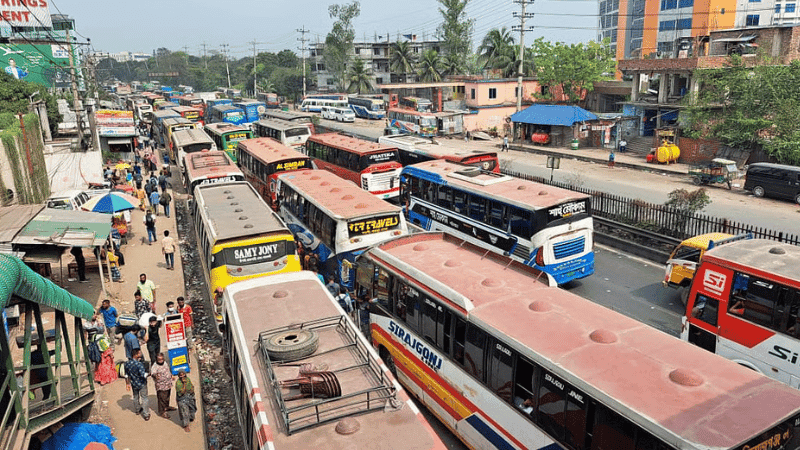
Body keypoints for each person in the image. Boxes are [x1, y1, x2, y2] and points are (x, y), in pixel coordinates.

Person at [124, 348, 150, 421]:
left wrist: (127, 383)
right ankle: (146, 414)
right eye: (139, 352)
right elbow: (143, 375)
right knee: (144, 398)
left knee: (135, 397)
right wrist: (149, 374)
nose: (141, 353)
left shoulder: (127, 363)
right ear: (136, 354)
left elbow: (126, 375)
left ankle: (138, 410)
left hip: (133, 383)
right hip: (141, 383)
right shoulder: (139, 364)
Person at [150, 352, 176, 418]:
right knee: (162, 399)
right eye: (159, 359)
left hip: (168, 384)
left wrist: (171, 375)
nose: (161, 361)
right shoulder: (155, 366)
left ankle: (166, 407)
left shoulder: (165, 363)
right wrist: (155, 376)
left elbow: (168, 370)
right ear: (156, 360)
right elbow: (153, 373)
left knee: (167, 397)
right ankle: (162, 412)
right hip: (161, 386)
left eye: (162, 359)